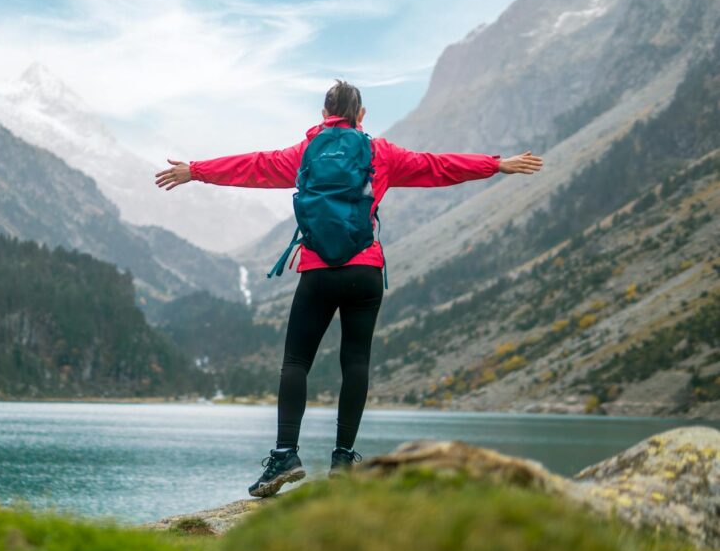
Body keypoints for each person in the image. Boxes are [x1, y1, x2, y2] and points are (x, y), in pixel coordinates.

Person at [154, 80, 543, 497]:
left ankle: (286, 455)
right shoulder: (382, 153)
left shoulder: (304, 153)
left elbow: (252, 166)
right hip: (365, 271)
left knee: (296, 363)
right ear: (361, 116)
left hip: (318, 271)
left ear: (324, 115)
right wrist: (495, 164)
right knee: (355, 362)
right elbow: (437, 166)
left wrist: (195, 170)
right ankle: (343, 460)